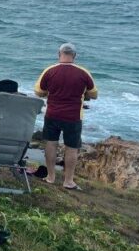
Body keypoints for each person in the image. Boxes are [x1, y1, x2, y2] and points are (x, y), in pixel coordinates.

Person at [34, 43, 97, 190]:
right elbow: (94, 94)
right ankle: (68, 181)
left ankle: (50, 177)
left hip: (52, 114)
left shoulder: (50, 71)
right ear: (74, 56)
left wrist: (49, 92)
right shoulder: (83, 72)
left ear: (59, 54)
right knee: (72, 148)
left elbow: (38, 91)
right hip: (73, 116)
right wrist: (84, 93)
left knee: (51, 144)